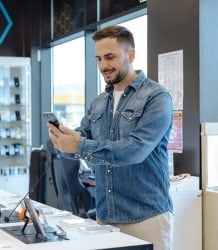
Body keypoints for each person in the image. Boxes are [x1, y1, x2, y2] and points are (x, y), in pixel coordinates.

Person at [48, 25, 173, 250]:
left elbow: (135, 149)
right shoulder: (98, 102)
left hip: (146, 218)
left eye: (110, 57)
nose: (103, 65)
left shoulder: (156, 97)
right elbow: (81, 138)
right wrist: (62, 140)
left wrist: (79, 146)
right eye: (98, 59)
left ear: (131, 54)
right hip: (105, 219)